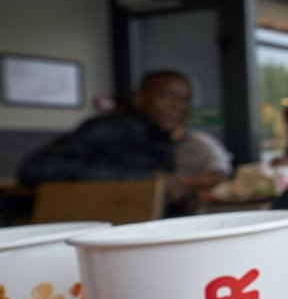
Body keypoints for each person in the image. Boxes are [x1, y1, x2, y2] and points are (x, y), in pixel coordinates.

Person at [17, 70, 220, 214]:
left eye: (185, 100)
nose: (178, 106)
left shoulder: (163, 139)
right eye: (167, 97)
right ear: (139, 98)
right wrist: (148, 178)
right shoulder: (107, 129)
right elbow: (34, 169)